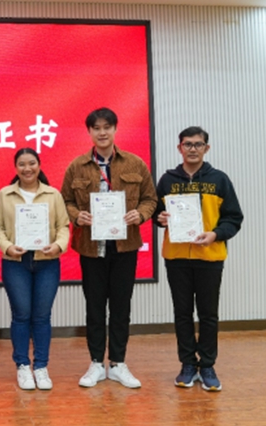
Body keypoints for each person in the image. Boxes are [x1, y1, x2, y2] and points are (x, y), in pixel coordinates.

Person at [61, 108, 157, 389]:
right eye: (96, 128)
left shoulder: (135, 163)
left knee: (121, 306)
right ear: (89, 132)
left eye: (107, 127)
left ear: (115, 129)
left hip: (125, 247)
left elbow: (150, 199)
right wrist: (76, 215)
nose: (102, 132)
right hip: (91, 248)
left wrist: (140, 214)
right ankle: (95, 363)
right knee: (94, 307)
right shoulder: (77, 166)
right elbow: (65, 201)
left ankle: (117, 363)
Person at [154, 126, 243, 392]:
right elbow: (157, 213)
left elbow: (233, 218)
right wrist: (160, 219)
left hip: (210, 256)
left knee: (208, 314)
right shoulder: (167, 180)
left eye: (198, 144)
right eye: (188, 144)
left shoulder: (220, 180)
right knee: (182, 314)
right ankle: (187, 365)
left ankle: (207, 365)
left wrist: (215, 234)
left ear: (207, 148)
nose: (193, 149)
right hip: (176, 257)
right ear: (179, 148)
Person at [0, 148, 70, 391]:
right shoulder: (5, 194)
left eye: (32, 163)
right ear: (15, 168)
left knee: (42, 316)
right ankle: (23, 365)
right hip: (16, 263)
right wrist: (7, 247)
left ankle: (41, 366)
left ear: (39, 165)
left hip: (47, 261)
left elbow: (64, 226)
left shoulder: (53, 194)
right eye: (22, 164)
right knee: (21, 315)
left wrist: (58, 245)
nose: (27, 168)